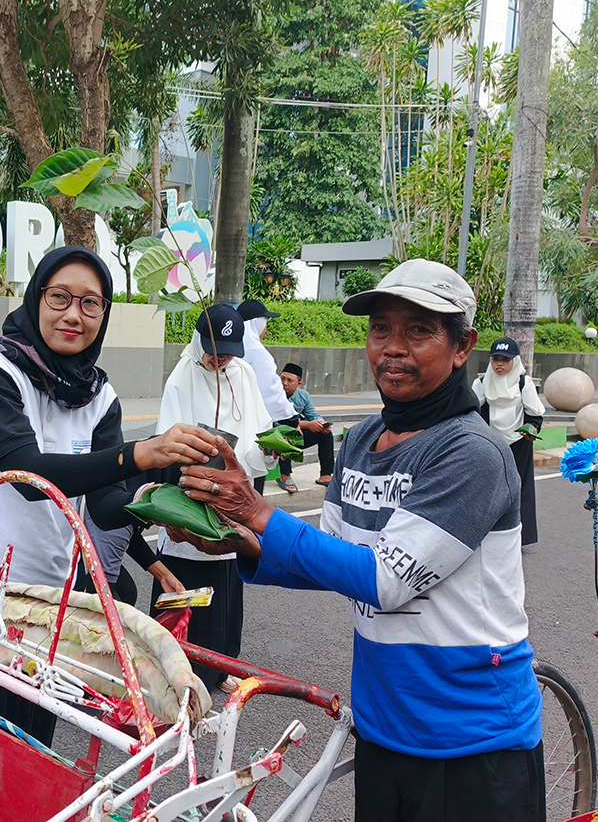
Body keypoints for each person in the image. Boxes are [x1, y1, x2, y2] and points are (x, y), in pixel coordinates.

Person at [169, 259, 545, 822]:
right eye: (380, 329)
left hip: (470, 734)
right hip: (385, 721)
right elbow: (334, 556)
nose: (392, 347)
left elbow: (384, 579)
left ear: (463, 346)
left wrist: (258, 511)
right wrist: (237, 541)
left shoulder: (473, 453)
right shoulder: (366, 438)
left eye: (418, 330)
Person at [0, 246, 217, 743]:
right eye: (60, 298)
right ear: (36, 298)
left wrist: (167, 492)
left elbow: (102, 503)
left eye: (91, 303)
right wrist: (140, 454)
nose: (74, 314)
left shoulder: (99, 395)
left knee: (34, 743)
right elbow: (28, 475)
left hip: (50, 602)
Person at [153, 304, 273, 694]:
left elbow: (257, 436)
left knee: (225, 585)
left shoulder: (244, 374)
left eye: (227, 351)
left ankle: (221, 667)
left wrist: (266, 454)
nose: (220, 358)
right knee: (185, 585)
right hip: (193, 488)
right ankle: (175, 673)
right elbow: (168, 441)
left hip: (232, 493)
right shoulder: (181, 377)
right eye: (213, 349)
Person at [472, 337, 545, 545]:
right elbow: (470, 408)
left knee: (519, 488)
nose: (500, 364)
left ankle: (521, 536)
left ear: (515, 361)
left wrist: (532, 429)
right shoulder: (481, 382)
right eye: (496, 359)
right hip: (489, 443)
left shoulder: (524, 383)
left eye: (505, 359)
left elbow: (535, 414)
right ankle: (483, 533)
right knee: (486, 486)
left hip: (518, 443)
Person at [236, 299, 297, 426]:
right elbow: (271, 394)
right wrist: (292, 420)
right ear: (258, 324)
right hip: (252, 422)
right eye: (265, 323)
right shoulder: (258, 354)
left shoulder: (229, 348)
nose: (266, 329)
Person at [277, 363, 336, 493]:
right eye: (282, 379)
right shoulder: (273, 395)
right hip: (275, 435)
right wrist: (307, 425)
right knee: (284, 434)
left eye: (289, 380)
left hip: (298, 434)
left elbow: (312, 414)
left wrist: (321, 424)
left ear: (299, 384)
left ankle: (326, 475)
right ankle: (285, 476)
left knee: (325, 434)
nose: (284, 383)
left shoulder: (303, 396)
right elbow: (275, 421)